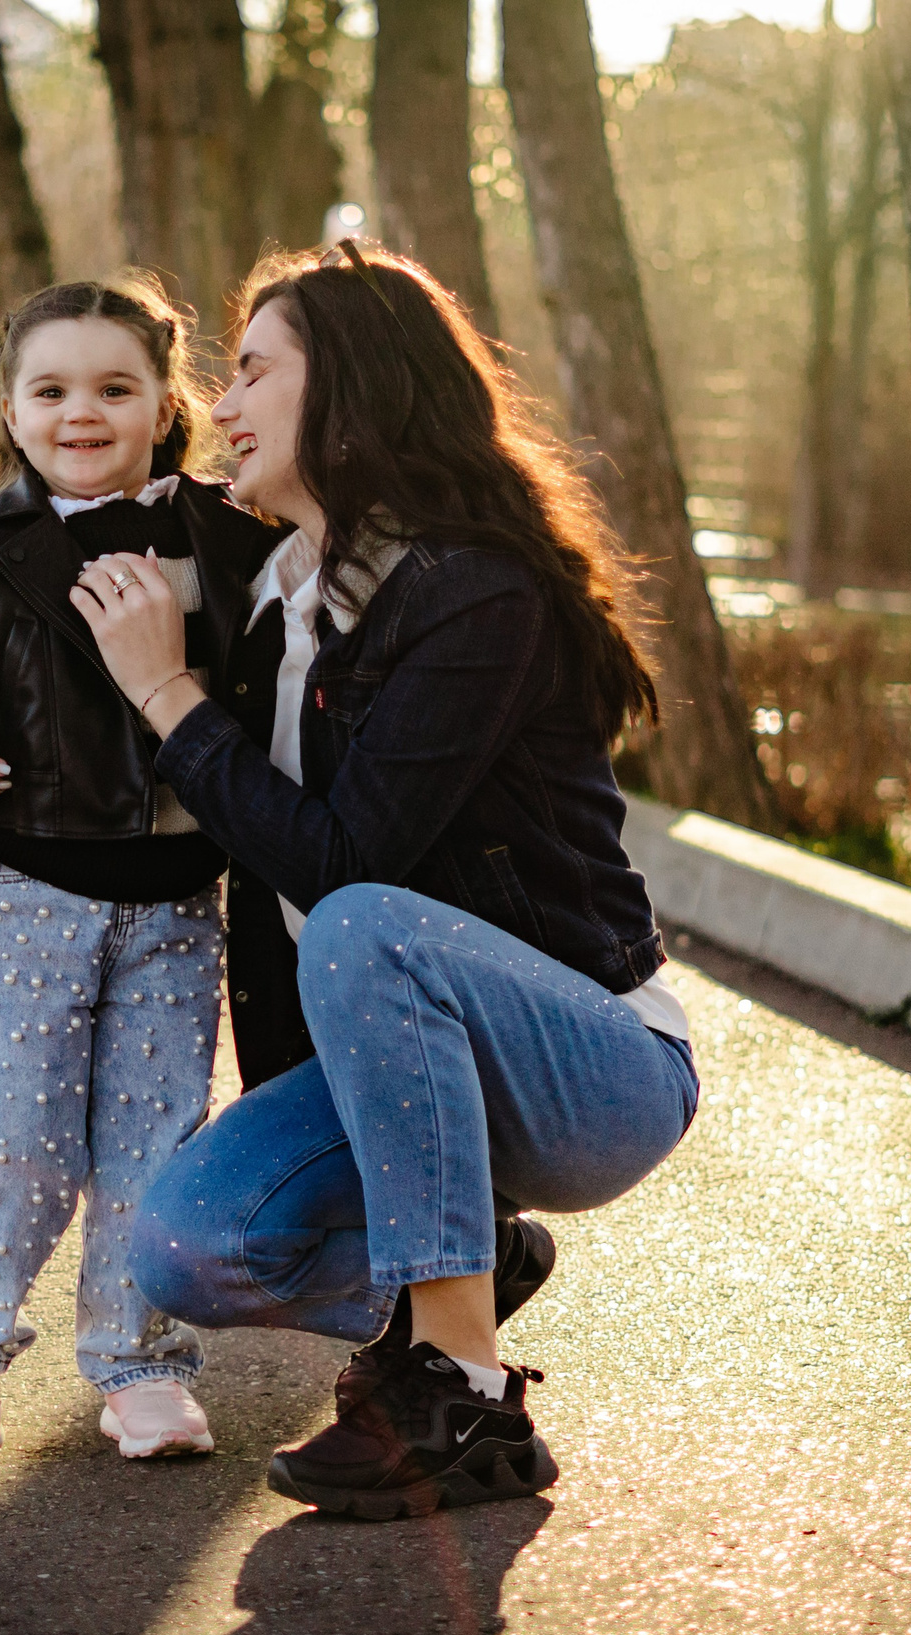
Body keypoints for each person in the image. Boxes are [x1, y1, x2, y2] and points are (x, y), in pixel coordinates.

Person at [58, 241, 701, 1520]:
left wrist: (165, 691)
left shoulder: (476, 593)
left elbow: (347, 861)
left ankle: (461, 1391)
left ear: (348, 389)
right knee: (190, 1246)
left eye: (252, 372)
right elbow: (218, 789)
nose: (219, 406)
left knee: (360, 920)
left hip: (591, 1069)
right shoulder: (276, 598)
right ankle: (468, 1256)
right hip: (392, 1073)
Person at [0, 276, 289, 1460]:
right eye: (51, 389)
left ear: (161, 402)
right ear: (12, 408)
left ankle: (139, 1368)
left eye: (111, 387)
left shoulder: (232, 539)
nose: (80, 412)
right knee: (12, 1136)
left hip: (179, 900)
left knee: (155, 1139)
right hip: (27, 889)